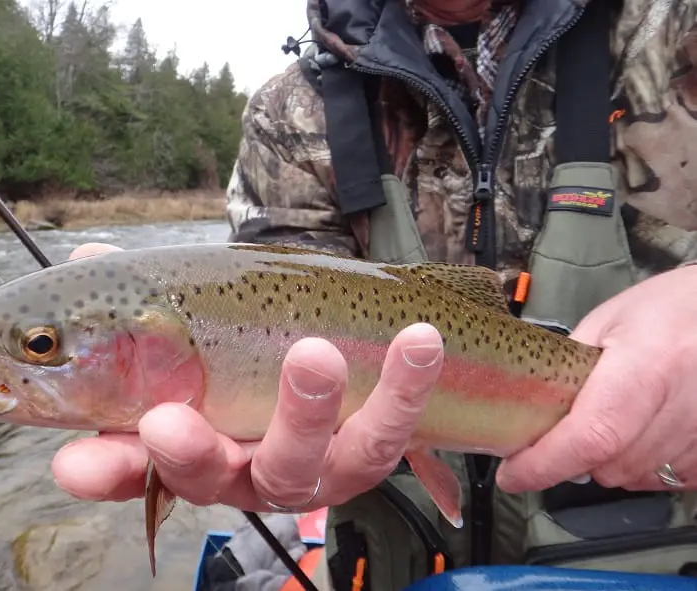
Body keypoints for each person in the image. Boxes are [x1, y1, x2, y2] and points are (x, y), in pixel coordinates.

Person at [51, 0, 697, 588]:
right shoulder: (291, 113)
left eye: (41, 345)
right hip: (390, 543)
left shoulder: (673, 30)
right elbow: (280, 306)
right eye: (42, 345)